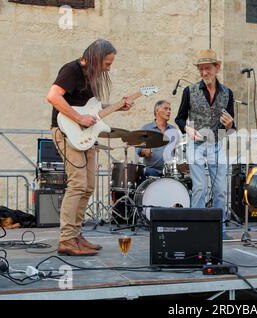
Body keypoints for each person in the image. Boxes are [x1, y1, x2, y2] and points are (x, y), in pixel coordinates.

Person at [47, 39, 134, 256]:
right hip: (67, 131)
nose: (109, 68)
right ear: (95, 58)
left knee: (88, 186)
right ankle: (66, 239)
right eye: (107, 63)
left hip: (85, 135)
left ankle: (76, 235)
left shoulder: (92, 77)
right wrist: (78, 118)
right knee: (77, 184)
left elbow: (91, 109)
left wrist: (116, 107)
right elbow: (53, 96)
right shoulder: (72, 69)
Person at [175, 49, 235, 239]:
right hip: (197, 144)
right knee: (200, 186)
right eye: (201, 69)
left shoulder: (228, 93)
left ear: (217, 68)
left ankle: (220, 229)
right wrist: (188, 130)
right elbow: (179, 118)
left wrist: (231, 124)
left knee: (220, 189)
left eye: (207, 68)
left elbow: (232, 127)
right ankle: (197, 227)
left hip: (218, 144)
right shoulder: (189, 91)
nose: (204, 73)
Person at [136, 100, 181, 177]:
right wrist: (144, 151)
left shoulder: (173, 130)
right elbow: (138, 150)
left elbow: (179, 151)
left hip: (170, 172)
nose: (169, 111)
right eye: (166, 109)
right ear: (157, 111)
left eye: (170, 109)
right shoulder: (147, 128)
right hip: (151, 170)